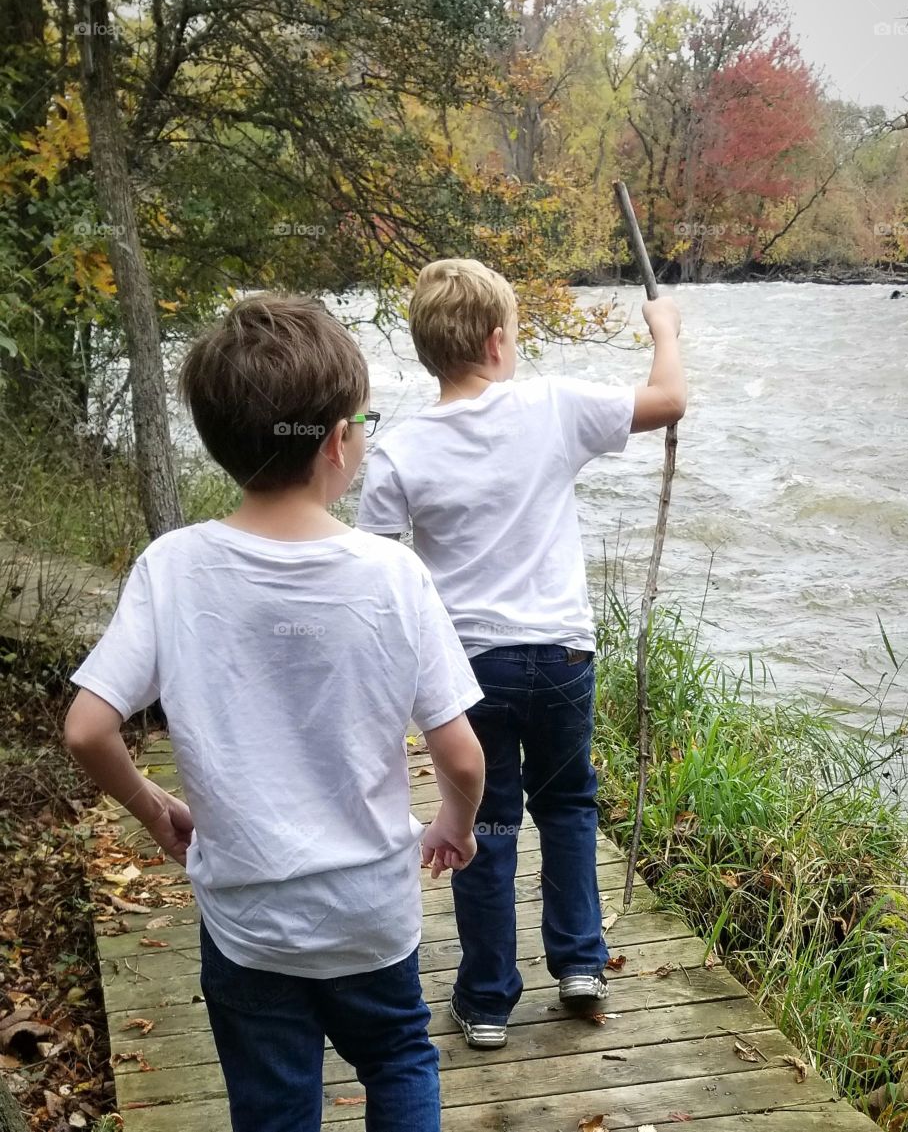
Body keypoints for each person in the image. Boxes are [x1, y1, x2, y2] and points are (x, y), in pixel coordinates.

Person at [64, 294, 486, 1131]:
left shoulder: (173, 568)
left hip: (248, 919)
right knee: (400, 1057)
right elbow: (465, 758)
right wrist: (455, 823)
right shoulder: (392, 575)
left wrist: (155, 811)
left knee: (273, 1101)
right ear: (339, 441)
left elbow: (87, 727)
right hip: (370, 911)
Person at [358, 259, 686, 1049]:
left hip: (466, 668)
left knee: (488, 819)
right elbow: (669, 398)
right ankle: (579, 962)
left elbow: (375, 570)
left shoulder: (398, 449)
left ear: (427, 350)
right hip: (564, 656)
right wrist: (665, 331)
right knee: (568, 801)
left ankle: (487, 1001)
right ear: (500, 341)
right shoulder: (554, 405)